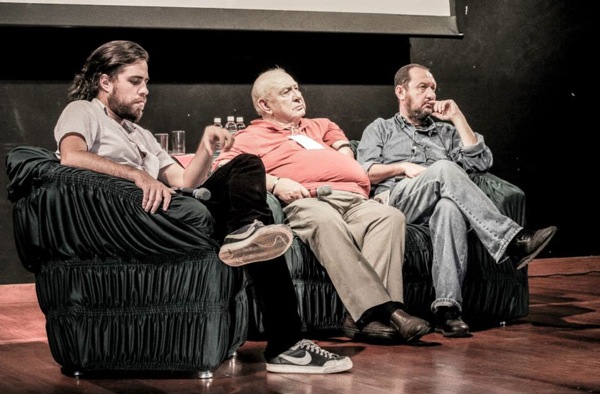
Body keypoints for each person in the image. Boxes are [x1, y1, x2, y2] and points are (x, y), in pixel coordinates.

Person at [53, 40, 352, 374]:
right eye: (135, 81)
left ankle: (249, 241)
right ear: (105, 82)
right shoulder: (83, 111)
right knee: (255, 216)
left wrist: (206, 148)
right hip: (136, 217)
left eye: (146, 82)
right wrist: (137, 175)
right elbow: (72, 156)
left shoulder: (140, 134)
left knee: (249, 176)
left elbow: (184, 180)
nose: (145, 90)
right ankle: (285, 343)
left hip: (170, 206)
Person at [214, 67, 432, 344]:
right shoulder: (249, 137)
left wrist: (343, 156)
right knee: (325, 221)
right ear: (265, 105)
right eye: (286, 92)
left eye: (296, 88)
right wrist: (277, 183)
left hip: (354, 198)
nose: (297, 95)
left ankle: (360, 318)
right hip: (309, 200)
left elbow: (341, 145)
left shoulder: (320, 125)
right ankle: (387, 311)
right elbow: (224, 169)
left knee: (389, 216)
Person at [357, 63, 557, 338]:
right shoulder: (381, 128)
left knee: (449, 208)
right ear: (401, 92)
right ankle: (512, 240)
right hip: (397, 201)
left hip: (436, 204)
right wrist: (402, 167)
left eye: (433, 88)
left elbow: (481, 162)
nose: (431, 94)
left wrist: (457, 117)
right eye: (422, 87)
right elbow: (365, 172)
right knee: (444, 168)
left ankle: (447, 309)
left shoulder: (446, 133)